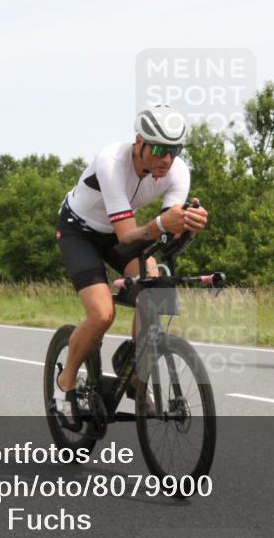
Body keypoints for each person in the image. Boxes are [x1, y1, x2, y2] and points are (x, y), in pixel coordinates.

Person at [54, 104, 209, 429]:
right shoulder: (112, 161)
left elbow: (165, 238)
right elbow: (128, 234)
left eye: (174, 150)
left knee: (157, 287)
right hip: (79, 230)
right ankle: (65, 384)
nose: (166, 159)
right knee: (102, 314)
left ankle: (137, 375)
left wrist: (188, 227)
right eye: (159, 149)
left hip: (119, 233)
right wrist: (165, 222)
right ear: (139, 142)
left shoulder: (178, 172)